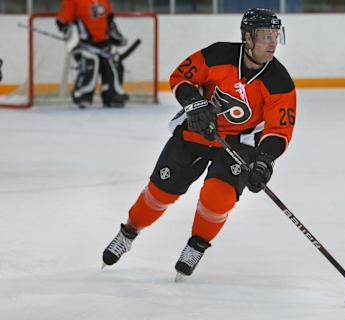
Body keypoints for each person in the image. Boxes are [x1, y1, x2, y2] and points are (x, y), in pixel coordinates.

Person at [102, 8, 297, 278]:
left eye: (276, 36)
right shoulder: (217, 55)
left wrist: (264, 160)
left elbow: (279, 130)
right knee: (160, 191)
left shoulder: (280, 82)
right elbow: (180, 77)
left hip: (239, 144)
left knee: (218, 197)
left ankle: (196, 245)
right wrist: (195, 104)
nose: (273, 43)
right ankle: (128, 233)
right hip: (198, 131)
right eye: (266, 36)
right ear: (248, 38)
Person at [56, 0, 128, 109]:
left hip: (104, 42)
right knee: (91, 60)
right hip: (85, 43)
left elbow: (109, 20)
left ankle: (112, 94)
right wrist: (70, 34)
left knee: (113, 59)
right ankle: (82, 95)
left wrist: (116, 35)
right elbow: (62, 21)